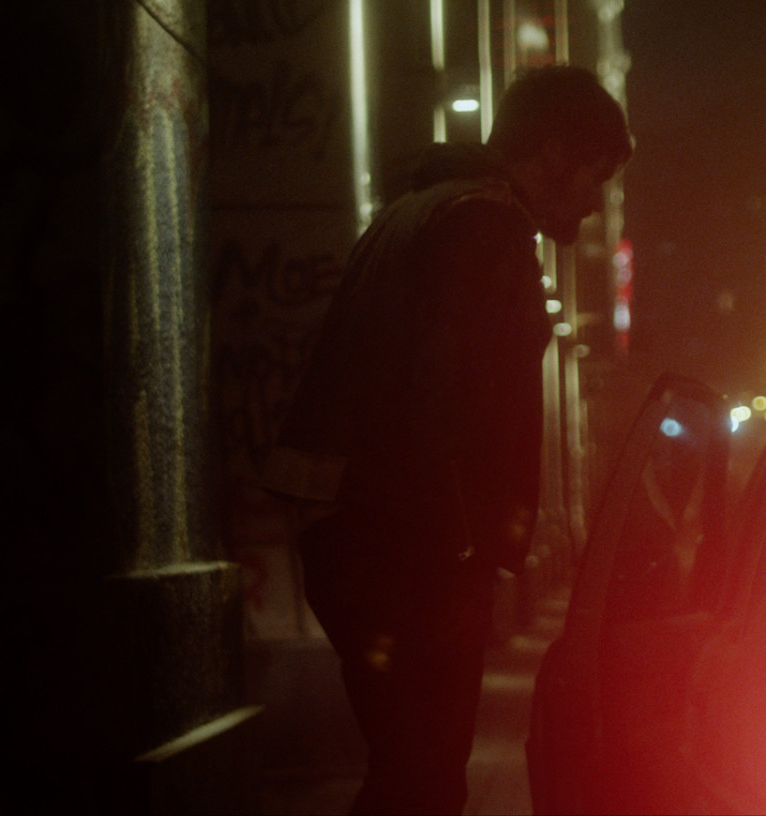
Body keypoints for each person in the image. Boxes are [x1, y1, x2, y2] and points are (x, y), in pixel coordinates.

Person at [260, 66, 632, 815]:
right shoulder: (483, 225)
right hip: (406, 549)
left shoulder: (419, 211)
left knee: (409, 773)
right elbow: (450, 400)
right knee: (423, 780)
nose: (596, 201)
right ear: (554, 154)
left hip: (360, 536)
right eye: (596, 174)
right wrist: (467, 550)